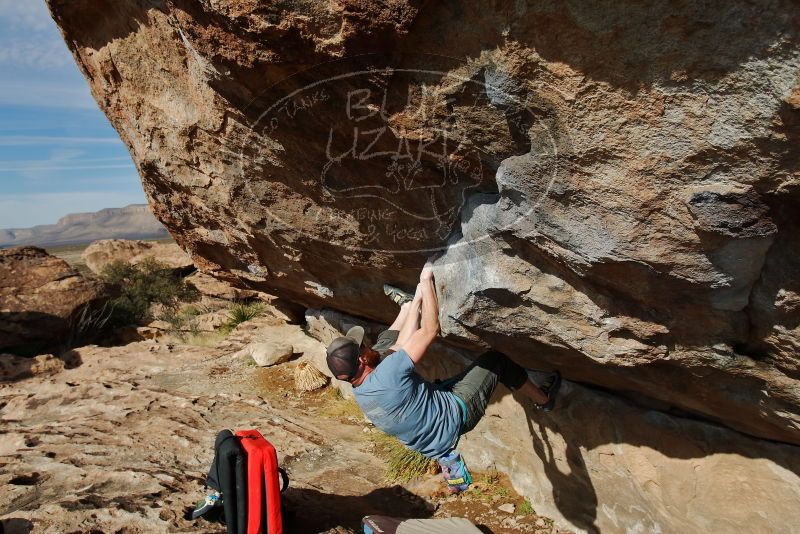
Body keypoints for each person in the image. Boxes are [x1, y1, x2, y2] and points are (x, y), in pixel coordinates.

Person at [325, 261, 561, 493]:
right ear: (361, 361)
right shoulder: (387, 373)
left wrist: (417, 300)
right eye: (363, 347)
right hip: (454, 416)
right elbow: (430, 330)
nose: (366, 345)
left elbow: (397, 348)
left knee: (384, 349)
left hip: (429, 430)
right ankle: (544, 400)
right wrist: (426, 281)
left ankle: (408, 306)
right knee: (495, 361)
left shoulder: (361, 390)